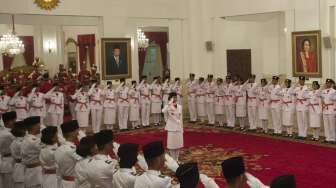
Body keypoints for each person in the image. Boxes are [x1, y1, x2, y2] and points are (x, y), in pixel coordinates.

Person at [54, 120, 80, 188]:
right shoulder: (72, 150)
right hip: (73, 184)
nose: (78, 133)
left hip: (62, 182)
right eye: (77, 131)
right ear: (72, 133)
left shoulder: (59, 149)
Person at [21, 116, 43, 188]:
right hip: (35, 173)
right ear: (33, 126)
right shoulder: (33, 141)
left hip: (29, 172)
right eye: (39, 125)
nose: (40, 127)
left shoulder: (26, 138)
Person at [162, 92, 184, 162]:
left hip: (178, 127)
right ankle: (173, 159)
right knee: (172, 145)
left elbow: (181, 118)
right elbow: (163, 111)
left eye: (176, 97)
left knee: (178, 144)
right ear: (170, 98)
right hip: (171, 128)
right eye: (173, 97)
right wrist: (169, 103)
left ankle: (176, 159)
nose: (175, 98)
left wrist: (182, 128)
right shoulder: (168, 106)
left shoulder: (180, 106)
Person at [0, 111, 17, 188]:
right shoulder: (7, 134)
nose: (15, 122)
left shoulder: (3, 132)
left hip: (5, 161)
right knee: (9, 185)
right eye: (14, 120)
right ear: (9, 121)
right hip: (9, 161)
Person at [10, 121, 26, 188]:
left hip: (19, 167)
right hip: (21, 168)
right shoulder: (20, 142)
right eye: (24, 129)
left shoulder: (15, 141)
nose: (26, 131)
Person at [321, 79, 336, 143]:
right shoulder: (323, 91)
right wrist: (322, 87)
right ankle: (327, 138)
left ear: (331, 84)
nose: (328, 84)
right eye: (327, 83)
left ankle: (333, 138)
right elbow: (319, 95)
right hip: (325, 109)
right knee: (326, 125)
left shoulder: (334, 91)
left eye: (329, 83)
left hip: (331, 109)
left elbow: (334, 99)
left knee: (331, 125)